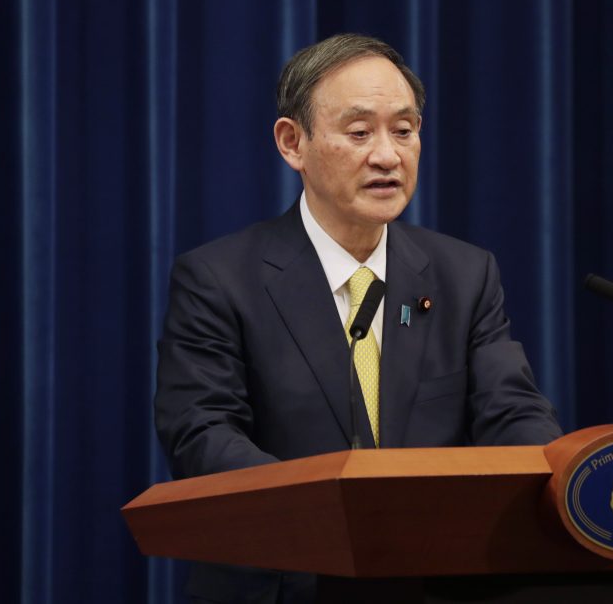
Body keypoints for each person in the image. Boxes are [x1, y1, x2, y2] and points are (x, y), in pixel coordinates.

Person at [154, 33, 562, 603]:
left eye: (404, 129)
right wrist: (330, 517)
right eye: (359, 132)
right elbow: (203, 433)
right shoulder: (219, 279)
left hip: (433, 580)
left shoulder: (464, 275)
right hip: (285, 581)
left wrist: (554, 481)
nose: (388, 155)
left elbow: (513, 413)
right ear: (292, 143)